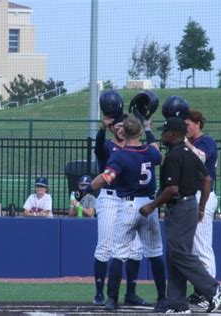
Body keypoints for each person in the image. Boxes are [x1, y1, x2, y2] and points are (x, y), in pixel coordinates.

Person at [139, 117, 221, 314]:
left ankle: (213, 288)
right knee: (174, 255)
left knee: (179, 253)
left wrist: (151, 206)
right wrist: (202, 206)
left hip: (179, 207)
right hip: (190, 206)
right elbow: (207, 179)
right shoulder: (189, 152)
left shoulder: (174, 156)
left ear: (175, 134)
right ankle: (178, 305)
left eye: (165, 132)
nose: (163, 135)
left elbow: (171, 189)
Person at [86, 115, 167, 312]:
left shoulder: (120, 155)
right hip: (149, 204)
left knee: (119, 253)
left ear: (126, 132)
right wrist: (149, 130)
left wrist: (88, 188)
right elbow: (160, 156)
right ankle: (162, 299)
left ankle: (111, 299)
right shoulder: (149, 151)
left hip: (128, 206)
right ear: (139, 131)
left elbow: (106, 177)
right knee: (155, 253)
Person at [92, 90, 147, 307]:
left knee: (135, 249)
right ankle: (99, 293)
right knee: (105, 245)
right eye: (118, 126)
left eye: (124, 126)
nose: (121, 129)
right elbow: (98, 149)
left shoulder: (134, 147)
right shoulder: (108, 146)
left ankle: (130, 293)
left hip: (129, 200)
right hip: (109, 197)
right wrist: (102, 128)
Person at [183, 109, 219, 304]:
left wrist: (184, 142)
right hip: (192, 196)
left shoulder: (206, 141)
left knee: (202, 247)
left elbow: (201, 158)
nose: (185, 128)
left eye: (188, 124)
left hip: (203, 196)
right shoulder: (193, 142)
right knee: (194, 249)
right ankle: (201, 291)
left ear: (197, 123)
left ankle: (209, 292)